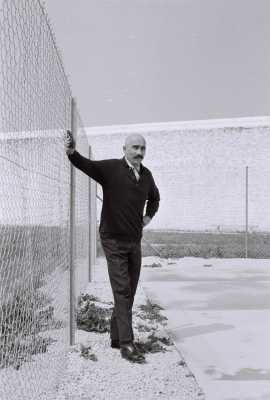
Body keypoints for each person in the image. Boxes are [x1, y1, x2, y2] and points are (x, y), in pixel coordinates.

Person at [64, 130, 160, 363]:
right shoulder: (111, 169)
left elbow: (155, 198)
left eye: (142, 148)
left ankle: (117, 337)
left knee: (130, 290)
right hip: (112, 240)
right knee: (122, 290)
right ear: (124, 149)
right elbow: (86, 165)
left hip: (133, 241)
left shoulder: (146, 175)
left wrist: (147, 218)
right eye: (135, 147)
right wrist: (71, 152)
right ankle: (127, 344)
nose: (139, 152)